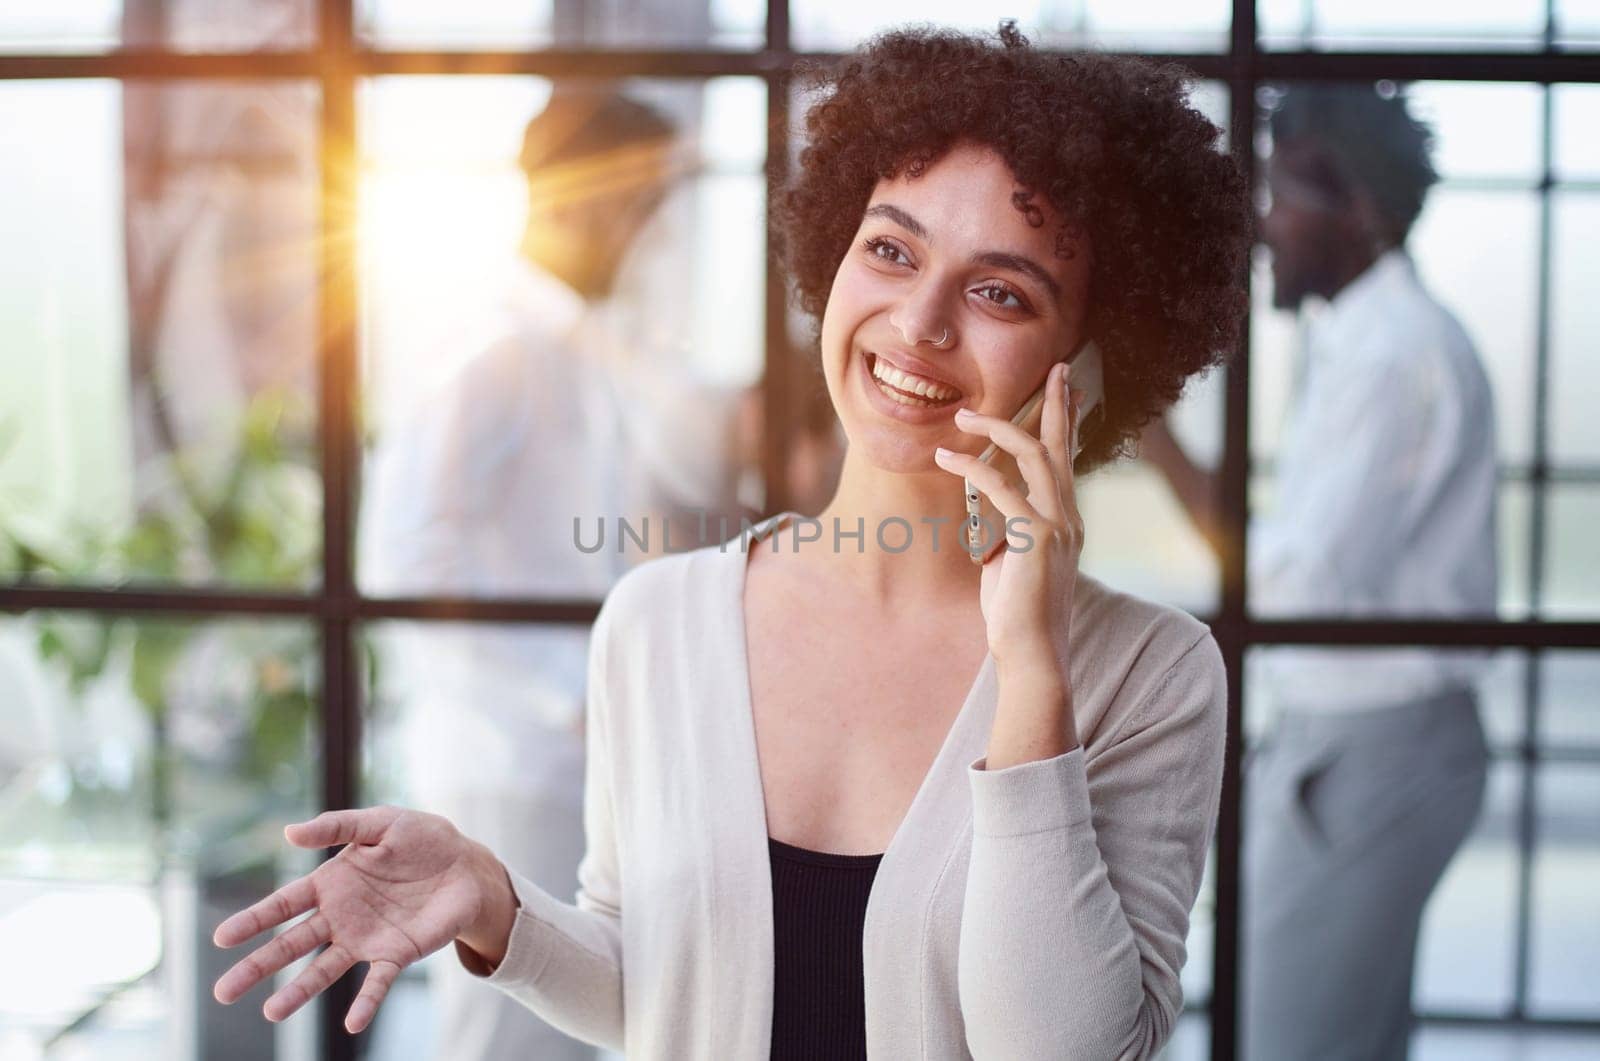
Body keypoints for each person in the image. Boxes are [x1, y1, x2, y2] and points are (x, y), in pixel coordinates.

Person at [214, 23, 1254, 1059]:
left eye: (1000, 290)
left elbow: (1062, 1050)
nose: (918, 322)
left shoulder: (1151, 676)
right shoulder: (657, 621)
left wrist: (1031, 667)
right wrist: (496, 904)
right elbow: (660, 986)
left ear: (1094, 358)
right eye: (889, 248)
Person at [360, 86, 749, 1061]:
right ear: (581, 197)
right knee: (505, 1029)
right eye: (642, 201)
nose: (654, 230)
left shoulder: (574, 346)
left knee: (567, 1017)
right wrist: (565, 694)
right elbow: (403, 559)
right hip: (507, 763)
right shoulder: (490, 352)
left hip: (560, 760)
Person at [1141, 84, 1497, 1059]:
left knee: (1283, 1039)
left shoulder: (1391, 355)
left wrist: (1161, 451)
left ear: (1360, 212)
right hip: (1363, 743)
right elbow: (1296, 554)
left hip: (1369, 749)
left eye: (1282, 194)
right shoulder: (1367, 344)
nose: (1262, 226)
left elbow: (1293, 588)